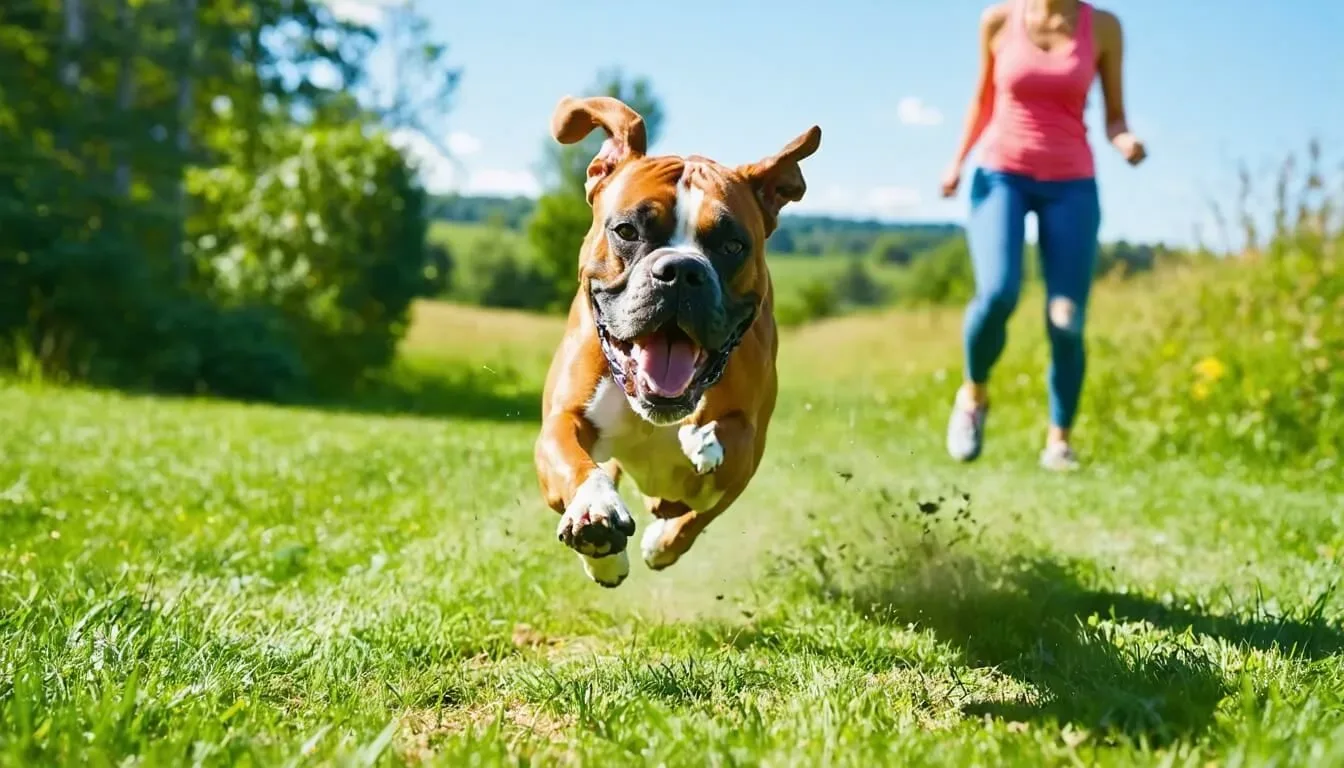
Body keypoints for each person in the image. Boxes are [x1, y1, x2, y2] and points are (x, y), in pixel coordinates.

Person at [939, 0, 1146, 471]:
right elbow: (983, 101)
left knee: (1066, 318)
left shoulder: (1105, 28)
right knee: (997, 294)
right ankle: (973, 394)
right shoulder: (998, 20)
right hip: (1001, 175)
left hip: (1072, 184)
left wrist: (1126, 141)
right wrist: (956, 162)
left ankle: (1059, 441)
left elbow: (1116, 116)